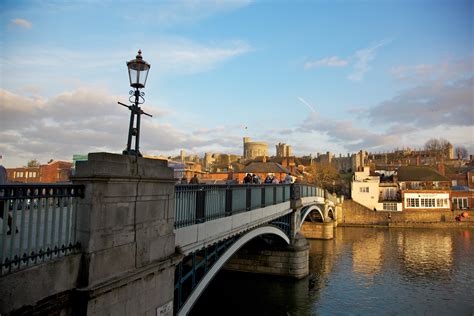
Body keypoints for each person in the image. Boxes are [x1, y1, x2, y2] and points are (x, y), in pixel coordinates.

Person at [0, 163, 15, 234]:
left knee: (3, 213)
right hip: (3, 193)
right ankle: (13, 227)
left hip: (1, 193)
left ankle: (13, 228)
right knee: (3, 213)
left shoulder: (1, 169)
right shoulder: (2, 168)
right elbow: (5, 180)